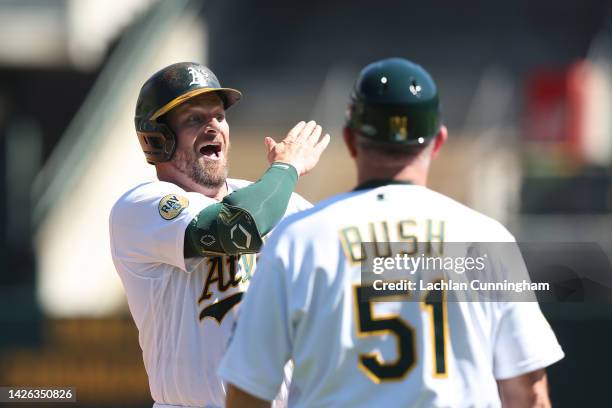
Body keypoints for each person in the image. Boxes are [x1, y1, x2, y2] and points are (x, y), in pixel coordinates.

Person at [218, 57, 564, 408]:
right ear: (438, 141)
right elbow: (529, 394)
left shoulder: (298, 240)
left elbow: (248, 389)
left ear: (351, 139)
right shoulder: (488, 238)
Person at [109, 61, 329, 408]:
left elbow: (359, 263)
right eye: (195, 119)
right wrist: (286, 170)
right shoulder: (140, 207)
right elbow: (233, 228)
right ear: (158, 139)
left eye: (219, 116)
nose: (214, 127)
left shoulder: (272, 198)